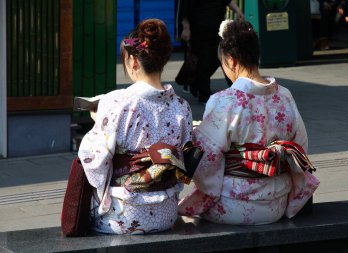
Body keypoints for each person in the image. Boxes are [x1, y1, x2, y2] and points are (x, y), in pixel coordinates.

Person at [178, 20, 320, 225]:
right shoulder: (285, 96)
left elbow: (205, 160)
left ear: (232, 61)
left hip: (234, 204)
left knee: (187, 216)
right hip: (277, 203)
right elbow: (300, 147)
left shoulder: (224, 100)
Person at [78, 19, 193, 235]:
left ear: (133, 62)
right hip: (166, 213)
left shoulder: (116, 102)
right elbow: (186, 160)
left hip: (124, 214)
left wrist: (98, 121)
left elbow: (95, 161)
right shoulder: (182, 106)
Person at [177, 0, 244, 103]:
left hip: (218, 30)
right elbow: (184, 11)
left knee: (225, 59)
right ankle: (204, 95)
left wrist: (238, 11)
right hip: (198, 30)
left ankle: (236, 90)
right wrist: (186, 28)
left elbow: (228, 0)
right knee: (204, 62)